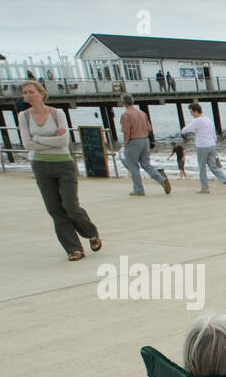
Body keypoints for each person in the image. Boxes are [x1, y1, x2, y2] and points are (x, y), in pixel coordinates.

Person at [16, 80, 101, 261]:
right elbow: (27, 144)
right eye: (25, 93)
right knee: (54, 209)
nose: (28, 96)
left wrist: (38, 138)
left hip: (63, 164)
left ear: (41, 93)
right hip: (41, 166)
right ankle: (74, 249)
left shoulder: (57, 113)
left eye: (31, 92)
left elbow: (64, 142)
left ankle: (91, 232)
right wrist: (48, 140)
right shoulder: (24, 117)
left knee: (70, 206)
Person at [119, 95, 171, 196]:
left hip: (134, 141)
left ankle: (139, 189)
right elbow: (149, 128)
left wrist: (125, 144)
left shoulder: (126, 115)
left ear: (123, 103)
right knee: (146, 164)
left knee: (133, 166)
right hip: (145, 140)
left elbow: (126, 132)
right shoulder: (142, 113)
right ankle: (161, 180)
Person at [180, 102, 226, 194]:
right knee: (213, 167)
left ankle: (205, 188)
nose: (191, 114)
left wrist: (189, 131)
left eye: (191, 112)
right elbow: (214, 134)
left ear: (196, 111)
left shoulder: (196, 120)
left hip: (202, 146)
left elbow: (184, 130)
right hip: (212, 145)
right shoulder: (207, 119)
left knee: (202, 168)